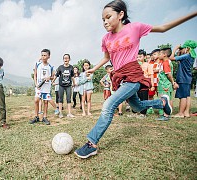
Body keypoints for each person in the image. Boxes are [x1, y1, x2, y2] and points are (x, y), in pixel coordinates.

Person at [74, 0, 196, 159]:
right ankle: (162, 102)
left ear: (121, 15)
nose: (105, 22)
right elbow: (107, 57)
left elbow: (164, 27)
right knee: (137, 106)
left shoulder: (134, 28)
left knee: (109, 104)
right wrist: (94, 68)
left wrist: (193, 13)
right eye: (102, 19)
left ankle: (92, 143)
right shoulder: (106, 39)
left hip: (133, 75)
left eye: (108, 17)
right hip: (120, 77)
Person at [170, 40, 197, 118]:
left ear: (187, 48)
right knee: (187, 96)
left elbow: (171, 58)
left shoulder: (186, 56)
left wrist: (175, 49)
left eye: (182, 49)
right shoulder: (191, 56)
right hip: (188, 79)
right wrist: (180, 52)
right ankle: (186, 112)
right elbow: (180, 62)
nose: (180, 50)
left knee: (183, 97)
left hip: (182, 78)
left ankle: (180, 113)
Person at [29, 49, 54, 125]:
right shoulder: (37, 64)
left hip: (46, 86)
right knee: (36, 100)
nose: (43, 57)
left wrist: (49, 78)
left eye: (45, 55)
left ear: (48, 56)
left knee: (45, 101)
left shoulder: (50, 66)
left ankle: (45, 117)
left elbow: (53, 76)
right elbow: (35, 74)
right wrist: (36, 84)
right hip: (39, 86)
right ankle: (36, 116)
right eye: (42, 55)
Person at [156, 46, 176, 120]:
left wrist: (173, 82)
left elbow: (168, 74)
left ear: (164, 54)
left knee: (164, 100)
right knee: (169, 99)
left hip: (164, 85)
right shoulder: (167, 62)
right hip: (167, 85)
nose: (159, 55)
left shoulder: (165, 63)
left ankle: (166, 115)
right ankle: (167, 114)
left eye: (160, 53)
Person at [53, 54, 75, 118]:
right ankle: (60, 113)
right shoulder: (60, 67)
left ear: (69, 59)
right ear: (63, 59)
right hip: (61, 85)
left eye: (67, 58)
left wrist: (74, 83)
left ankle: (69, 113)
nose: (66, 59)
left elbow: (72, 76)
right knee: (60, 99)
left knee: (68, 99)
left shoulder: (71, 67)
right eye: (64, 58)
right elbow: (56, 75)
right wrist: (52, 81)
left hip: (68, 85)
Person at [147, 49, 160, 115]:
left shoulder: (161, 62)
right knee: (150, 95)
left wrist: (157, 70)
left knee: (160, 95)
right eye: (152, 55)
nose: (153, 56)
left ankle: (161, 109)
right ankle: (150, 108)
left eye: (155, 54)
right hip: (152, 82)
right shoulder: (151, 62)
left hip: (159, 82)